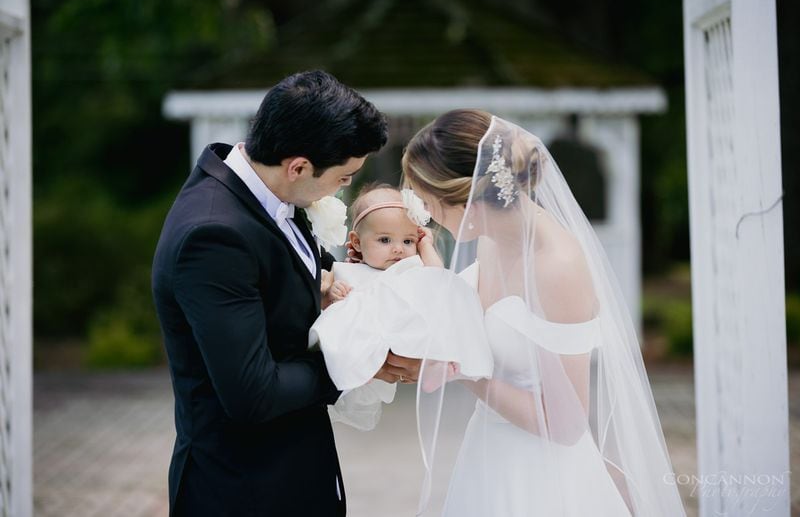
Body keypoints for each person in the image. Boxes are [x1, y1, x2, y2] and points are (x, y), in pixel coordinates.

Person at [151, 70, 421, 517]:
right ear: (298, 166)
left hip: (297, 471)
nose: (345, 187)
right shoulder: (213, 235)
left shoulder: (267, 192)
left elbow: (295, 273)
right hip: (244, 490)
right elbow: (253, 394)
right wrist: (360, 361)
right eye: (344, 177)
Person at [402, 110, 686, 516]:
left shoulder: (557, 266)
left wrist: (464, 370)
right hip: (487, 453)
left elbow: (567, 424)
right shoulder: (491, 240)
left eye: (429, 202)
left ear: (466, 199)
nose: (427, 215)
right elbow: (457, 309)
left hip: (544, 476)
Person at [311, 184, 493, 430]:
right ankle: (359, 368)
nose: (398, 249)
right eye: (384, 240)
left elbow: (438, 279)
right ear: (357, 242)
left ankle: (438, 362)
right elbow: (327, 302)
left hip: (407, 334)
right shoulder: (349, 270)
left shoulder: (411, 268)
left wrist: (426, 245)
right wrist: (334, 293)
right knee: (341, 326)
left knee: (445, 304)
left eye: (408, 240)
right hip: (370, 337)